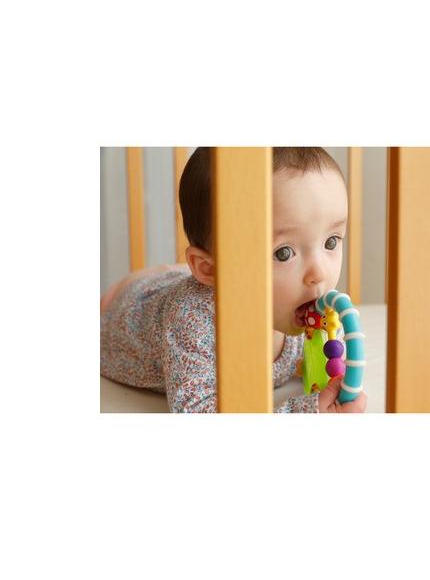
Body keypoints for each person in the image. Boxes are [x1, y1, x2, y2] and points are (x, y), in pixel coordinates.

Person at [100, 147, 367, 413]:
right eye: (283, 253)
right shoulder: (193, 321)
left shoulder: (309, 310)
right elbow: (196, 410)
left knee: (177, 279)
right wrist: (307, 412)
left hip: (186, 281)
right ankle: (135, 283)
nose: (319, 273)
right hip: (129, 312)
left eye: (331, 241)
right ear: (210, 269)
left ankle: (166, 271)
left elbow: (327, 365)